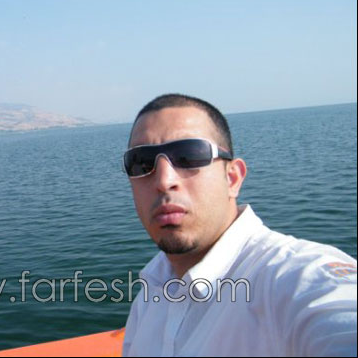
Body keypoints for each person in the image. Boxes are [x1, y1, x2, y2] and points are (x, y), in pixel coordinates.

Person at [121, 93, 357, 357]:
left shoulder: (294, 278)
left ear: (232, 178)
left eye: (188, 156)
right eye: (141, 163)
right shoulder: (153, 288)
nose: (164, 181)